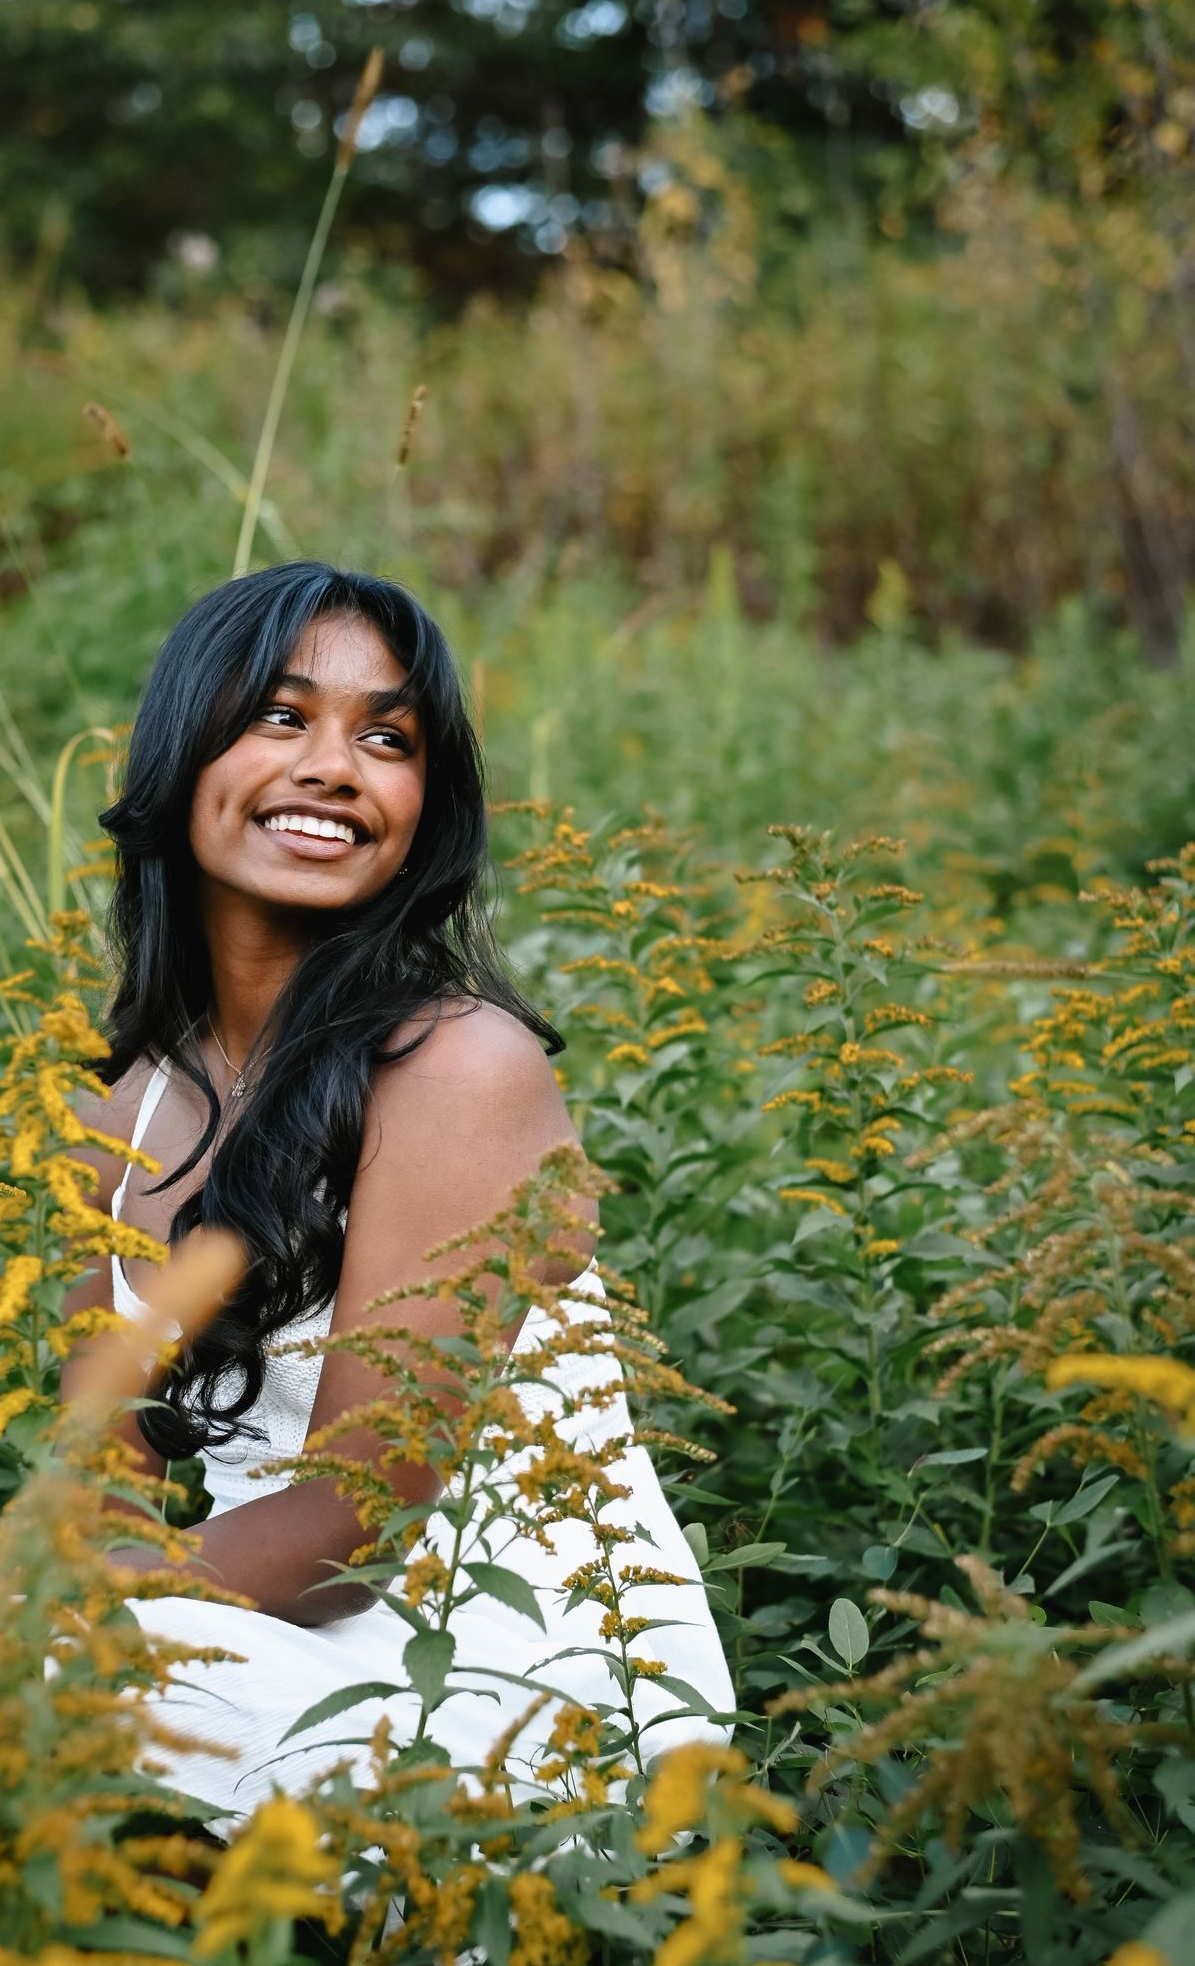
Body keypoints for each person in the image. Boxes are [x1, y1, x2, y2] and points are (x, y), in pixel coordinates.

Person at [62, 561, 733, 1818]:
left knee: (42, 1696)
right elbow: (105, 1476)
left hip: (519, 1675)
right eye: (280, 716)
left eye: (388, 737)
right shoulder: (122, 1109)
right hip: (245, 1628)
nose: (334, 765)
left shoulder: (459, 1065)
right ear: (178, 753)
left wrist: (56, 1605)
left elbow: (355, 1513)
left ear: (427, 802)